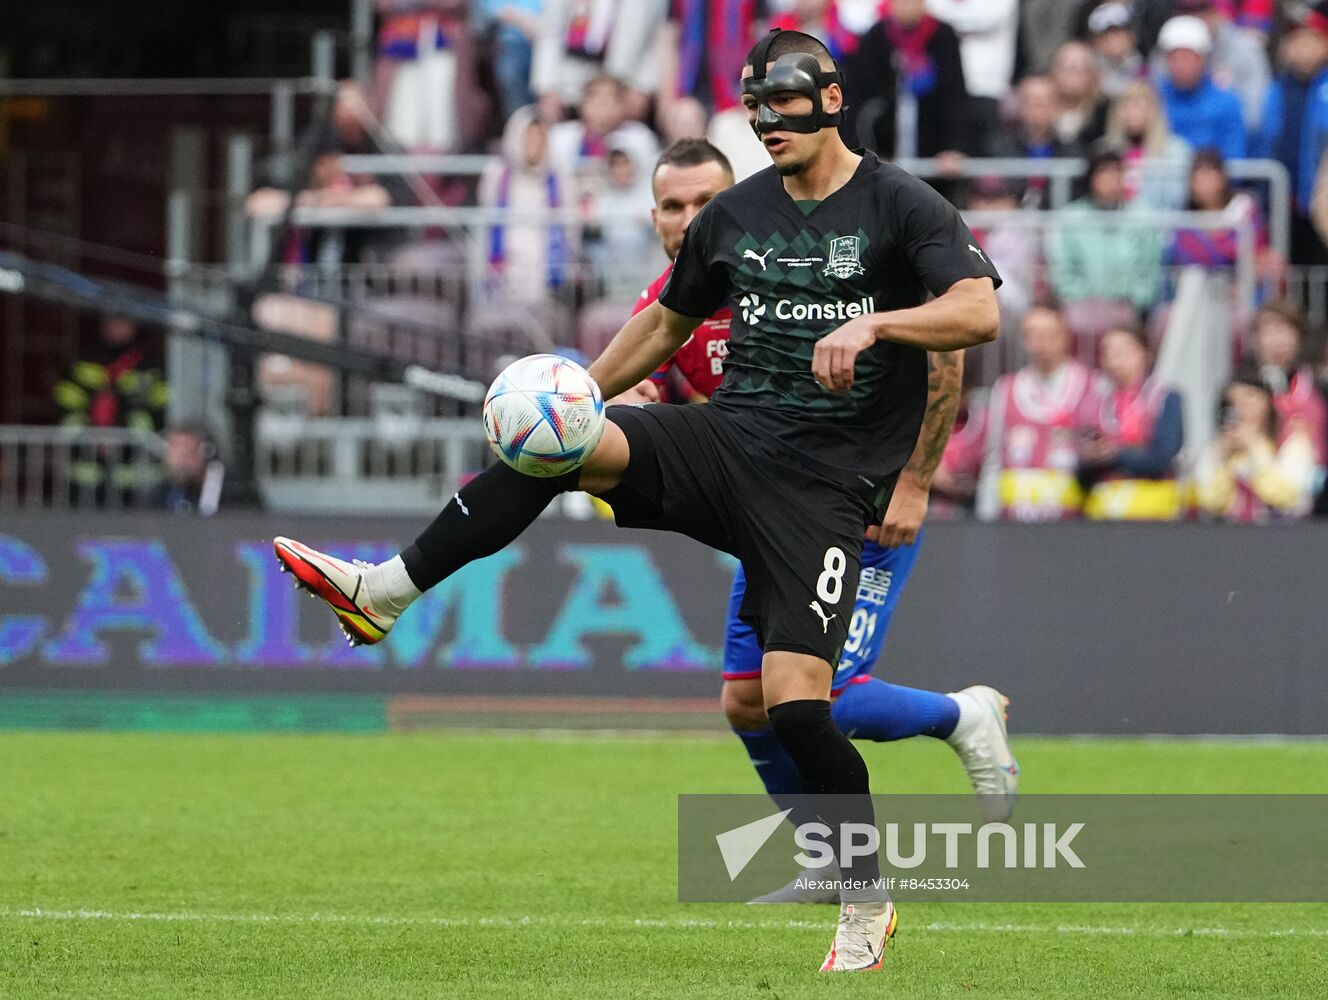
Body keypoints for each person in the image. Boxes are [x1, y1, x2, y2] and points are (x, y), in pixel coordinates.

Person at [273, 28, 1002, 971]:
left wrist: (877, 324)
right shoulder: (738, 214)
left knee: (792, 707)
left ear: (826, 101)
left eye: (780, 110)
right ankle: (384, 595)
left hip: (823, 488)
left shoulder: (902, 204)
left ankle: (865, 897)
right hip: (726, 442)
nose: (766, 128)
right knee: (562, 449)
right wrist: (581, 393)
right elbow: (665, 318)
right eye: (754, 113)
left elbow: (979, 311)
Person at [624, 138, 1017, 906]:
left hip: (864, 501)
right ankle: (828, 862)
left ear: (738, 201)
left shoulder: (806, 261)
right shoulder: (670, 304)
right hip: (775, 514)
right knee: (747, 700)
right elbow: (690, 411)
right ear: (655, 217)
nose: (689, 219)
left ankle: (961, 716)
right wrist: (633, 412)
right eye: (673, 206)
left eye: (706, 202)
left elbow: (945, 354)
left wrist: (915, 481)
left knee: (815, 696)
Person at [977, 305, 1101, 522]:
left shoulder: (1092, 386)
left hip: (1073, 521)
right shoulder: (1006, 389)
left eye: (1047, 334)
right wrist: (986, 514)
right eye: (1032, 335)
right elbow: (992, 457)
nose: (1040, 342)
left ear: (1065, 337)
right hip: (1014, 520)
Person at [1046, 147, 1166, 348]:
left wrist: (1132, 298)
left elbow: (1149, 269)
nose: (1112, 179)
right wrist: (1084, 298)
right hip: (1082, 308)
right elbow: (1061, 269)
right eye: (1104, 173)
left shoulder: (1142, 217)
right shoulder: (1070, 218)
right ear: (1092, 178)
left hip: (1127, 307)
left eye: (1117, 173)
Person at [840, 0, 969, 164]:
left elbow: (954, 94)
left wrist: (954, 148)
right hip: (885, 146)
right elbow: (859, 97)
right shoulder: (876, 36)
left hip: (933, 147)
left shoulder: (943, 35)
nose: (906, 7)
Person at [1077, 325, 1185, 520]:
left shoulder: (1164, 398)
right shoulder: (1094, 402)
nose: (1115, 359)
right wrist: (1092, 457)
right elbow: (1081, 470)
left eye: (1124, 351)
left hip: (1155, 512)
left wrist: (1115, 455)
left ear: (1145, 353)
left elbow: (1161, 458)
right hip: (1107, 513)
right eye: (1107, 352)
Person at [1254, 2, 1328, 265]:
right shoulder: (1277, 88)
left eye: (1311, 39)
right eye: (1296, 39)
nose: (1303, 48)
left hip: (1321, 202)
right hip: (1284, 202)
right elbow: (1266, 140)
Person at [1194, 371, 1318, 522]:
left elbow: (1287, 497)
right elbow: (1210, 502)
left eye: (1249, 398)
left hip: (1284, 535)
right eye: (1233, 401)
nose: (1241, 408)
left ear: (1268, 402)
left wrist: (1255, 448)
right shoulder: (1220, 448)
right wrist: (1222, 458)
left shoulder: (1292, 443)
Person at [983, 75, 1087, 209]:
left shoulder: (1073, 152)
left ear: (1056, 107)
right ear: (1019, 105)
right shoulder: (996, 148)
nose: (1036, 110)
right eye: (1030, 102)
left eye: (1043, 102)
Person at [1247, 301, 1328, 471]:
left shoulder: (1317, 387)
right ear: (1256, 338)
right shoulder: (1242, 387)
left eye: (1284, 330)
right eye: (1269, 331)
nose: (1277, 340)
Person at [1155, 15, 1247, 163]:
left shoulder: (1227, 102)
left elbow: (1235, 157)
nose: (1181, 65)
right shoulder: (1154, 99)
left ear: (1203, 59)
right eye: (1175, 58)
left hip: (1213, 182)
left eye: (1188, 57)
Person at [1103, 79, 1191, 211]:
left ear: (1155, 111)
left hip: (1161, 223)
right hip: (1113, 224)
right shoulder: (1103, 150)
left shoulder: (1177, 151)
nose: (1134, 114)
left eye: (1140, 107)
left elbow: (1178, 197)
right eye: (1127, 107)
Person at [149, 424, 226, 516]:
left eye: (189, 451)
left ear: (206, 453)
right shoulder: (160, 494)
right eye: (176, 449)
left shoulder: (225, 489)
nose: (181, 460)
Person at [1049, 40, 1110, 148]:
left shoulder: (1104, 113)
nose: (1072, 77)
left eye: (1079, 69)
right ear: (1053, 71)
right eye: (1067, 69)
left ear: (1092, 75)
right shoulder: (1039, 110)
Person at [1087, 2, 1144, 100]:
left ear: (1131, 37)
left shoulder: (1142, 69)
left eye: (1118, 33)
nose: (1113, 39)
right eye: (1106, 34)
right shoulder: (1087, 68)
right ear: (1095, 40)